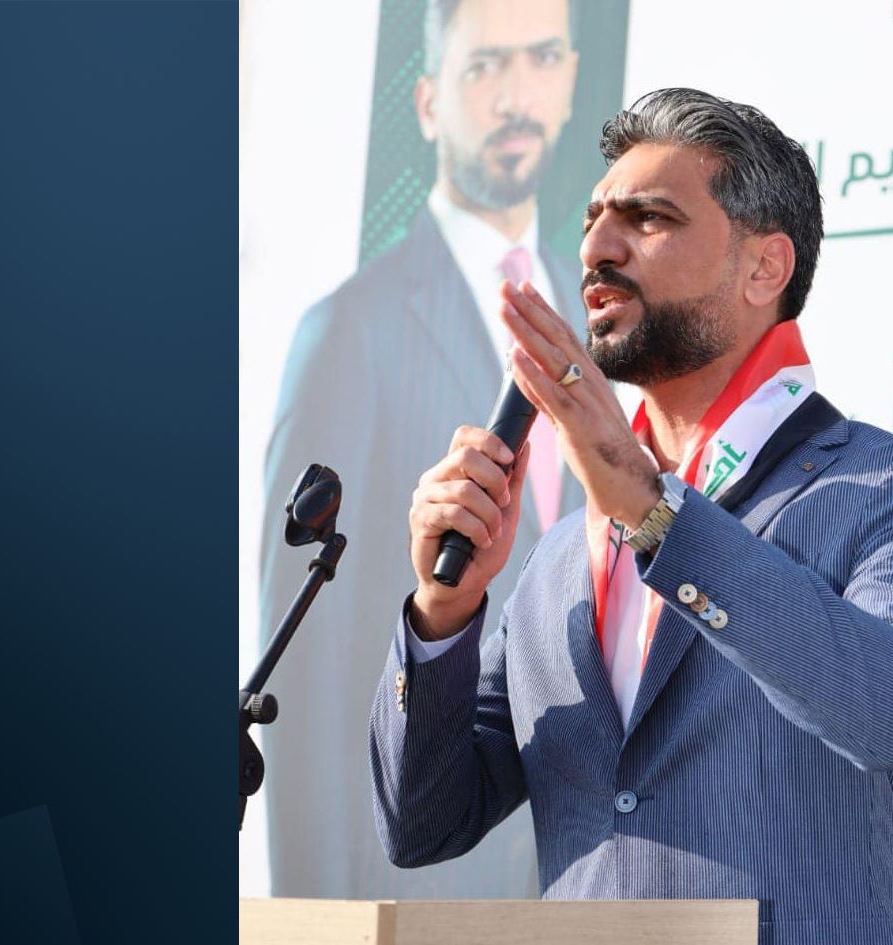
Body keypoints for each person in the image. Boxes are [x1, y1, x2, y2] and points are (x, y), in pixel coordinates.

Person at [370, 88, 893, 944]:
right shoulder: (560, 556)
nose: (597, 246)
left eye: (649, 217)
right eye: (594, 219)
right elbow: (422, 824)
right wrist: (444, 610)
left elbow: (891, 713)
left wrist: (655, 512)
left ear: (764, 267)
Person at [260, 0, 584, 900]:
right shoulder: (349, 329)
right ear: (430, 102)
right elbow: (305, 669)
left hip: (562, 886)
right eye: (485, 67)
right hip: (409, 885)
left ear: (570, 80)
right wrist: (315, 912)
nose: (516, 94)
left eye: (541, 58)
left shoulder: (592, 325)